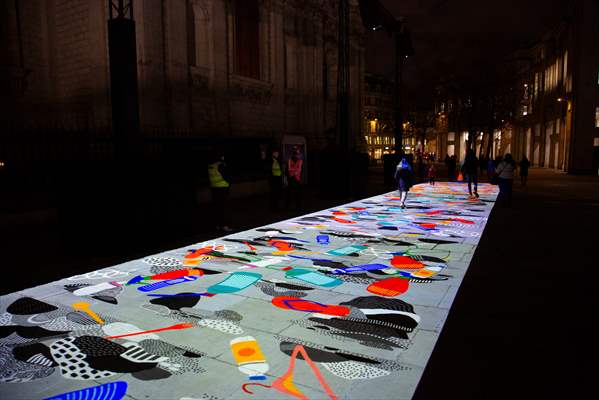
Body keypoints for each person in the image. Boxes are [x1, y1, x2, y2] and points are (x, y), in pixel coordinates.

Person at [207, 152, 232, 232]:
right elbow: (226, 175)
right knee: (224, 208)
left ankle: (217, 225)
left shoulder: (210, 166)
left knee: (217, 208)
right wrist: (228, 183)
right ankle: (224, 225)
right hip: (222, 188)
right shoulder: (220, 165)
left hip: (214, 188)